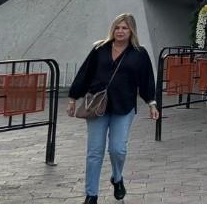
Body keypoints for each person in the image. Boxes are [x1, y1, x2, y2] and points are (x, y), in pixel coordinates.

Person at [68, 14, 159, 204]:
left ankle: (117, 178)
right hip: (97, 107)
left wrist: (152, 103)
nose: (120, 31)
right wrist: (73, 97)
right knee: (94, 152)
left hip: (123, 107)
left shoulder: (139, 53)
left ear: (131, 30)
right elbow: (85, 73)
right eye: (117, 27)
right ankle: (91, 195)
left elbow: (146, 80)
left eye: (124, 28)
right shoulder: (100, 49)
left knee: (118, 149)